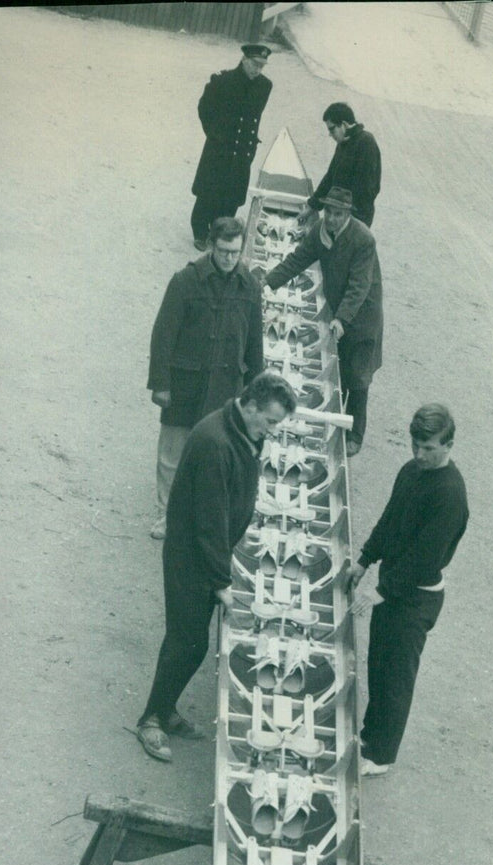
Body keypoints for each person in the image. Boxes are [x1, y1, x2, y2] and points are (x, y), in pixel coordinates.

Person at [136, 372, 298, 763]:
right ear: (252, 405)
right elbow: (210, 520)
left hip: (205, 553)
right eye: (271, 421)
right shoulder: (215, 443)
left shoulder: (239, 431)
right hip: (190, 557)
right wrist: (222, 581)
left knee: (192, 642)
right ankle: (151, 720)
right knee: (185, 641)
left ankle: (166, 708)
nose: (274, 431)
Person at [347, 404, 469, 776]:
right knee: (379, 665)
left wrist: (381, 590)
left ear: (448, 445)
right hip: (394, 585)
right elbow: (390, 519)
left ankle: (382, 756)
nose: (419, 454)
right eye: (415, 445)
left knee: (397, 676)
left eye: (429, 448)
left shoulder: (450, 495)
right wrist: (364, 560)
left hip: (417, 596)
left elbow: (426, 556)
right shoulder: (411, 470)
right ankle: (368, 737)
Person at [147, 216, 264, 540]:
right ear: (212, 246)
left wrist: (257, 393)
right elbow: (163, 335)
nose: (230, 258)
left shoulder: (250, 287)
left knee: (214, 457)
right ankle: (166, 516)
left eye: (236, 252)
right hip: (184, 385)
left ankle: (202, 519)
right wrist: (161, 383)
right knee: (172, 454)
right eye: (224, 251)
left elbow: (255, 343)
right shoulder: (185, 281)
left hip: (226, 389)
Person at [264, 186, 383, 456]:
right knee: (339, 365)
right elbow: (297, 260)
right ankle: (334, 416)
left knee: (358, 375)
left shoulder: (363, 239)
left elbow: (359, 286)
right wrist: (268, 281)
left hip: (363, 313)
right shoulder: (320, 231)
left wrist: (341, 319)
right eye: (329, 211)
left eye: (338, 214)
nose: (331, 218)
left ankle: (355, 434)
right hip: (339, 310)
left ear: (347, 215)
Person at [191, 42, 273, 250]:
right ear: (244, 59)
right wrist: (214, 134)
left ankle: (221, 232)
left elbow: (254, 117)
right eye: (254, 64)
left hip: (243, 149)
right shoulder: (223, 80)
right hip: (220, 148)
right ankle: (201, 232)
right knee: (209, 192)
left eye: (261, 66)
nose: (257, 69)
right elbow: (204, 108)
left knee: (232, 196)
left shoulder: (265, 86)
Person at [301, 102, 381, 228]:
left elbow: (367, 191)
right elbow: (330, 178)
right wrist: (311, 206)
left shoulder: (366, 143)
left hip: (355, 220)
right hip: (337, 215)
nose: (330, 135)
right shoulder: (343, 143)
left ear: (344, 124)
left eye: (332, 129)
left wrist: (347, 222)